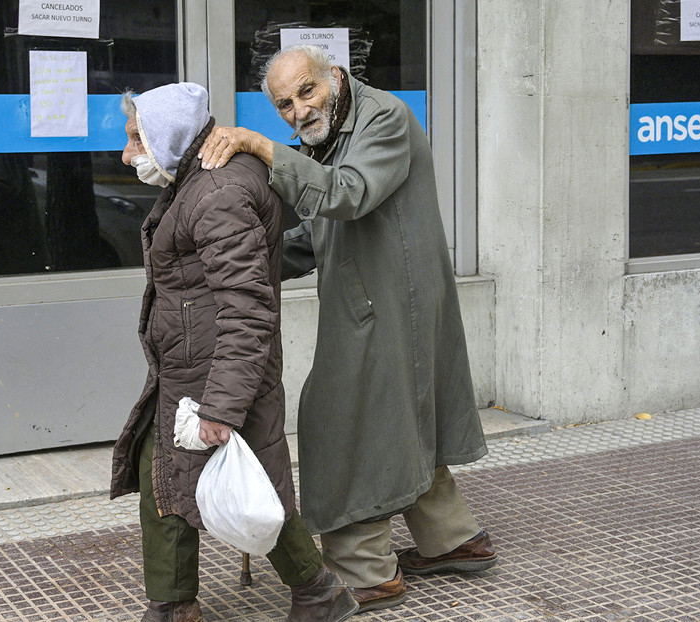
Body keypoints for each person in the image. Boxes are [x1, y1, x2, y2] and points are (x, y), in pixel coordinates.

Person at [197, 45, 498, 613]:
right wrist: (235, 264)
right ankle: (453, 539)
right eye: (283, 105)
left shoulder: (384, 116)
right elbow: (316, 234)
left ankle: (363, 570)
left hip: (394, 301)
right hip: (375, 297)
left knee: (346, 421)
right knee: (401, 415)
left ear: (334, 77)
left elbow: (346, 194)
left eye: (305, 92)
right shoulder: (332, 131)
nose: (297, 111)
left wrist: (262, 147)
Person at [108, 82, 359, 622]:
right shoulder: (195, 180)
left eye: (136, 140)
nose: (127, 154)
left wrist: (222, 406)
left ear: (170, 137)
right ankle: (175, 604)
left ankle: (317, 590)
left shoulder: (216, 191)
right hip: (192, 368)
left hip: (218, 372)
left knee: (252, 484)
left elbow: (247, 309)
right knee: (169, 470)